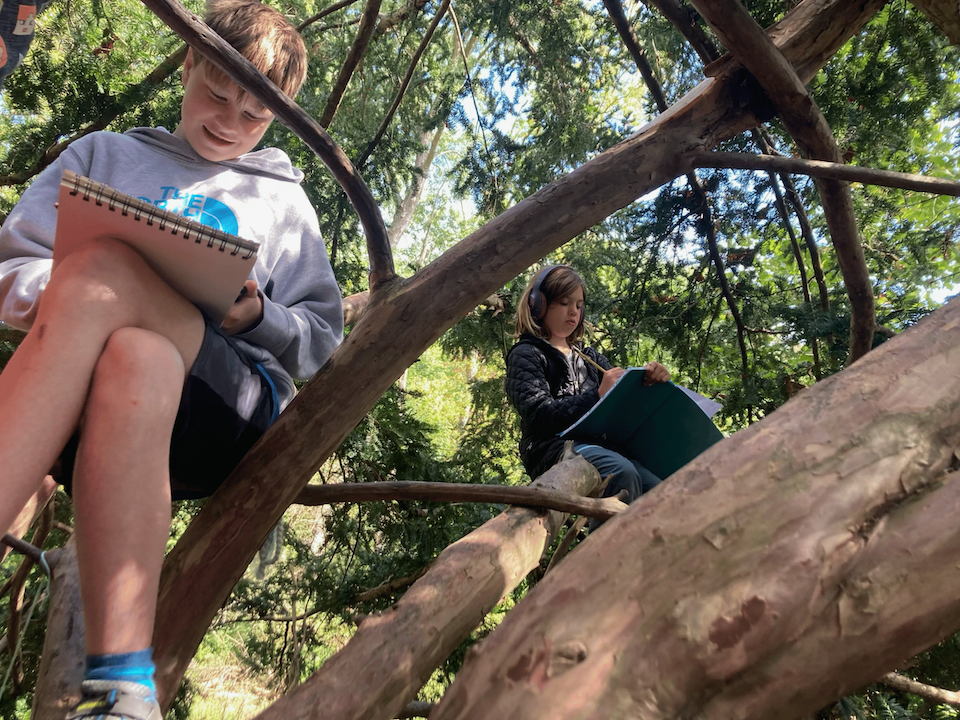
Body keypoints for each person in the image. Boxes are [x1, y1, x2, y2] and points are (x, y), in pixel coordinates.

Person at [0, 1, 343, 718]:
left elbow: (322, 341)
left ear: (277, 120)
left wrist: (257, 314)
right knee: (134, 350)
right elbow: (13, 265)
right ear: (187, 64)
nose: (228, 121)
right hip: (92, 403)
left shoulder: (284, 204)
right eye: (216, 94)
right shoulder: (103, 154)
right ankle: (125, 687)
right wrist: (67, 300)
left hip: (229, 410)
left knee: (100, 269)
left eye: (254, 114)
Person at [504, 264, 670, 515]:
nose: (573, 312)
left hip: (603, 448)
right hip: (552, 449)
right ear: (537, 304)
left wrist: (648, 380)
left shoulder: (590, 356)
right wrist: (596, 396)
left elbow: (621, 398)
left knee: (660, 490)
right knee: (621, 473)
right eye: (564, 302)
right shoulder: (526, 354)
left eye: (579, 305)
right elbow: (538, 414)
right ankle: (605, 554)